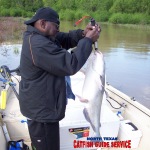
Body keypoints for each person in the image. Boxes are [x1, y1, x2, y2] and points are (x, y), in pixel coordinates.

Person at [19, 7, 101, 150]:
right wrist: (88, 41)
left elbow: (64, 39)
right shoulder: (38, 44)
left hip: (44, 108)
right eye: (56, 26)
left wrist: (83, 34)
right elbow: (70, 64)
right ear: (43, 23)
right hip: (41, 114)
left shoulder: (41, 36)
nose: (58, 29)